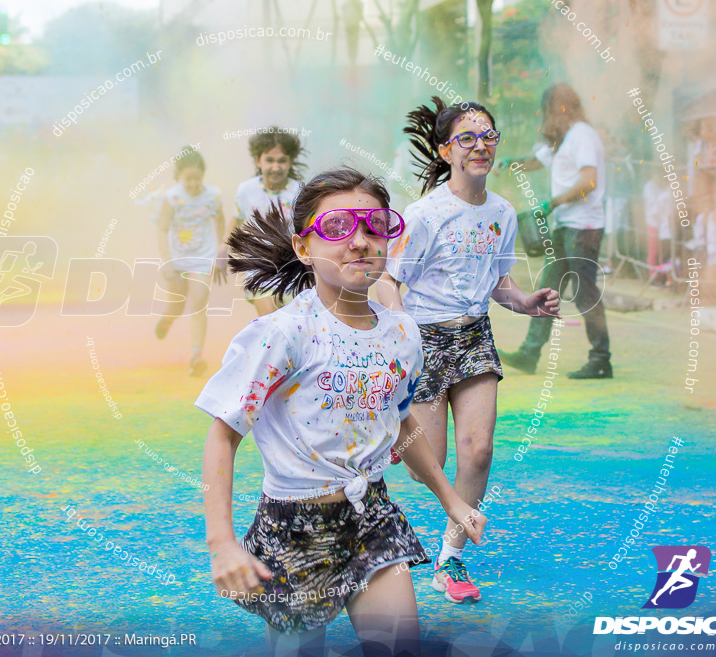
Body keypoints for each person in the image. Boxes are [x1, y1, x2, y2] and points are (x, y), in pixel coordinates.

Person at [199, 167, 487, 657]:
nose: (359, 241)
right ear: (303, 246)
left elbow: (399, 422)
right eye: (337, 228)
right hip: (295, 529)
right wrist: (222, 544)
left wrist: (450, 499)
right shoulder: (282, 334)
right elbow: (222, 436)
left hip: (372, 517)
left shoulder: (402, 334)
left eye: (374, 226)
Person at [376, 97, 560, 605]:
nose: (481, 146)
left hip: (475, 337)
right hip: (426, 342)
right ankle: (399, 438)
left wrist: (526, 301)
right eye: (467, 138)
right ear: (445, 150)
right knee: (425, 464)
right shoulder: (425, 214)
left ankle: (449, 557)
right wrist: (401, 332)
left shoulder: (502, 213)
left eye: (489, 137)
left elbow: (499, 282)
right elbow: (389, 281)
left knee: (478, 451)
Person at [496, 83, 613, 379]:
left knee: (584, 293)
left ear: (559, 108)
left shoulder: (582, 135)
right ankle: (529, 352)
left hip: (583, 226)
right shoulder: (564, 139)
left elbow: (589, 181)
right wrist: (511, 163)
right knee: (549, 288)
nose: (545, 117)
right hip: (566, 224)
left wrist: (552, 203)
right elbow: (537, 161)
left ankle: (601, 358)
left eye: (547, 110)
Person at [154, 147, 226, 376]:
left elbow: (220, 222)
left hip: (202, 260)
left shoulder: (213, 195)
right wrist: (167, 261)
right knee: (177, 305)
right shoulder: (172, 197)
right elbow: (162, 229)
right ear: (179, 177)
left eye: (197, 178)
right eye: (188, 179)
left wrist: (219, 251)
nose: (193, 184)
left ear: (202, 175)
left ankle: (196, 356)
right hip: (176, 260)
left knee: (198, 306)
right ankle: (167, 319)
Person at [222, 127, 306, 317]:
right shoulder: (246, 190)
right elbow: (237, 218)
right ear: (258, 161)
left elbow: (308, 228)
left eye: (282, 160)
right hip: (259, 267)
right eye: (269, 160)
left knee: (292, 325)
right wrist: (222, 247)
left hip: (293, 269)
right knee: (271, 322)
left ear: (290, 161)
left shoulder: (300, 191)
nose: (275, 167)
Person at [642, 166, 673, 285]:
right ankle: (652, 276)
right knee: (653, 249)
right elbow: (653, 208)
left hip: (662, 224)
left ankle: (662, 275)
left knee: (662, 250)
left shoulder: (662, 188)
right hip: (653, 222)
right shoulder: (649, 187)